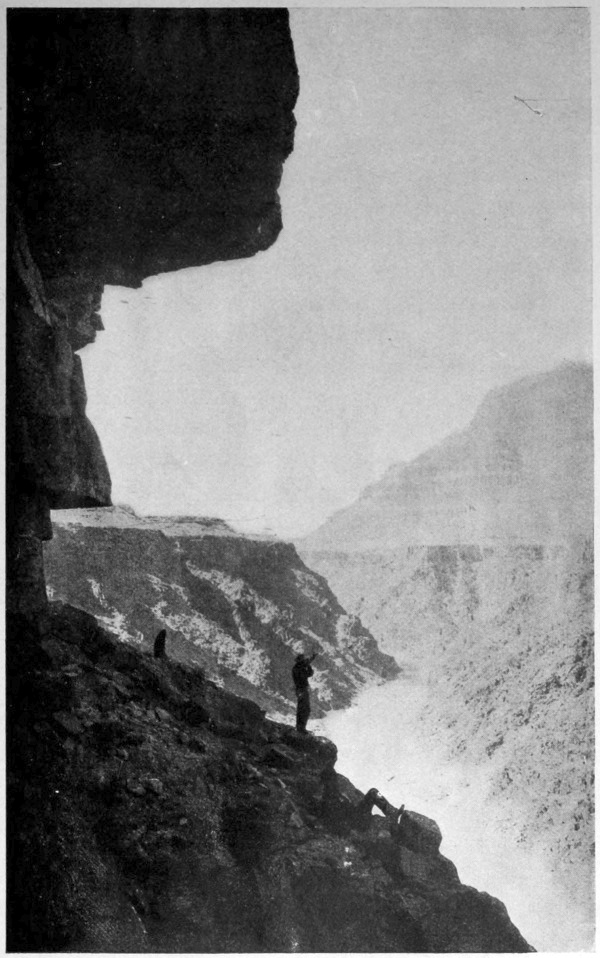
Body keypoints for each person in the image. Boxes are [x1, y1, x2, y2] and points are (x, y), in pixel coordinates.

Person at [292, 651, 317, 733]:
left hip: (300, 690)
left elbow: (308, 673)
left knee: (302, 708)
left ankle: (300, 727)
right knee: (304, 709)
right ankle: (301, 728)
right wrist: (308, 665)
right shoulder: (298, 669)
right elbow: (309, 674)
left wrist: (308, 663)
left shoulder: (297, 668)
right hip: (302, 690)